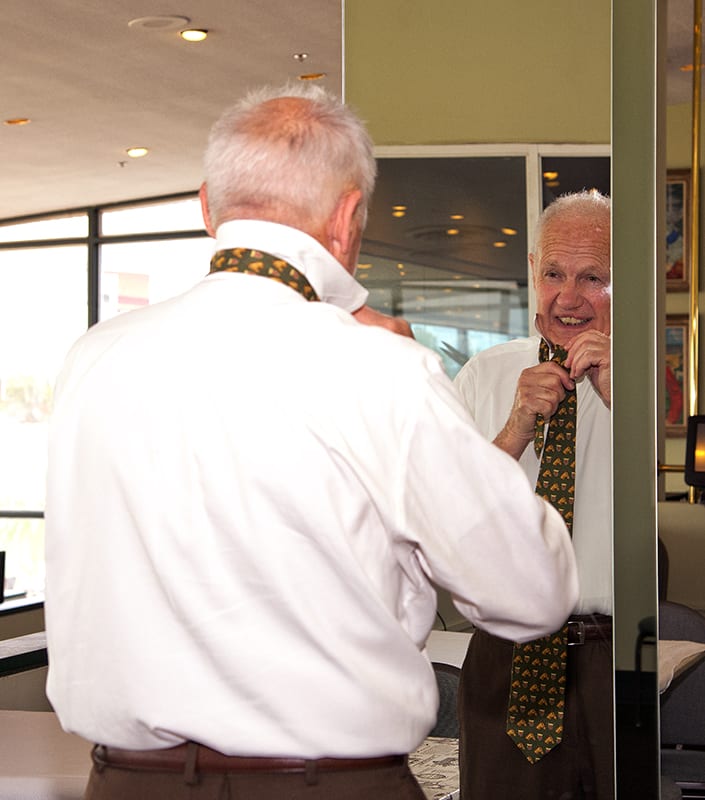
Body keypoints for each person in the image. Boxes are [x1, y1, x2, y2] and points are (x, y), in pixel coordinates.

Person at [44, 83, 578, 800]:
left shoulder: (93, 358)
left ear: (207, 206)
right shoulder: (378, 367)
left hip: (124, 782)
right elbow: (531, 593)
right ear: (348, 215)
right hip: (322, 786)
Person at [454, 190, 613, 799]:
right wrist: (517, 424)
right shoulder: (483, 376)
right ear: (532, 270)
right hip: (505, 657)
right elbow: (452, 515)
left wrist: (622, 393)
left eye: (592, 277)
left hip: (614, 655)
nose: (568, 297)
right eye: (554, 273)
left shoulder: (651, 383)